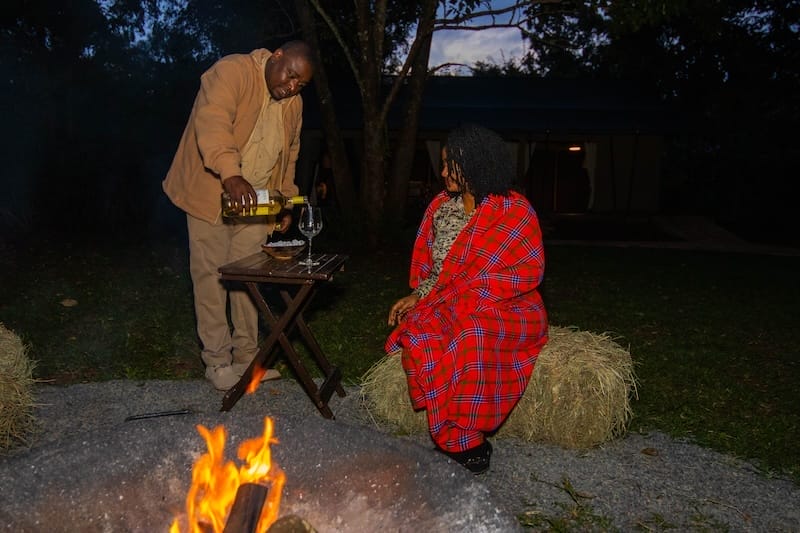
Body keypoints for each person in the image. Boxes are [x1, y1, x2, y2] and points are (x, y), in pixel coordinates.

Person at [385, 124, 548, 474]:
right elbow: (435, 272)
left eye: (449, 164)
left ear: (474, 163)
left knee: (471, 333)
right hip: (451, 300)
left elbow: (529, 270)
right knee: (424, 336)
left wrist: (475, 291)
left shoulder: (513, 209)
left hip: (508, 303)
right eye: (442, 164)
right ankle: (457, 441)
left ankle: (467, 436)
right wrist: (417, 294)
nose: (442, 172)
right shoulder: (441, 210)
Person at [163, 41, 314, 390]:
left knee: (249, 278)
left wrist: (285, 202)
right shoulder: (232, 71)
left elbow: (290, 153)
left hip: (258, 202)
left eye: (300, 84)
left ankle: (247, 359)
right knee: (212, 276)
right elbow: (212, 121)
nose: (292, 86)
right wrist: (230, 173)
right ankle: (217, 362)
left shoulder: (294, 104)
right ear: (276, 56)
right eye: (291, 75)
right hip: (212, 192)